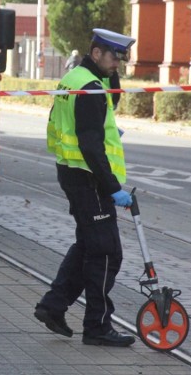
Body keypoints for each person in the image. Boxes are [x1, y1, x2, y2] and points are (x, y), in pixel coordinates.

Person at [34, 28, 137, 347]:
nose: (117, 65)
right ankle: (97, 327)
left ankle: (52, 307)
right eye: (114, 58)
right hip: (88, 178)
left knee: (88, 246)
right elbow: (91, 145)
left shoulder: (76, 78)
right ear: (96, 54)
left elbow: (113, 101)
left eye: (121, 59)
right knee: (107, 253)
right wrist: (113, 188)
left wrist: (113, 72)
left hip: (74, 173)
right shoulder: (89, 88)